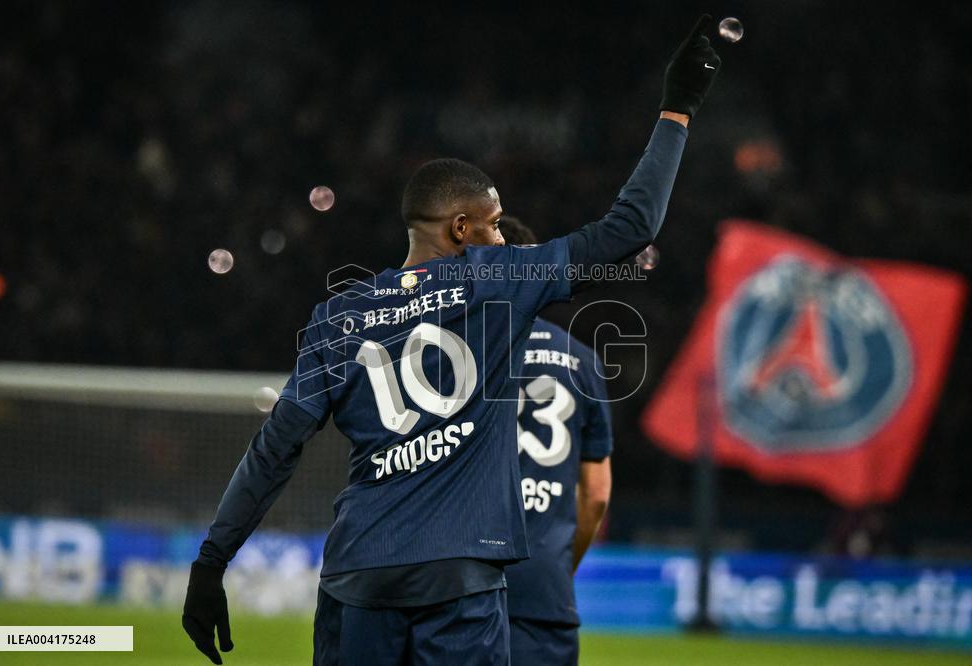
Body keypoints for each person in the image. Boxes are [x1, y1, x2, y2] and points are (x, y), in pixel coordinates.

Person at [183, 14, 719, 665]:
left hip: (359, 578)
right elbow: (631, 225)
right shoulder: (496, 280)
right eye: (493, 226)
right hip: (460, 584)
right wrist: (677, 109)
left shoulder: (339, 316)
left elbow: (274, 451)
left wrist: (212, 563)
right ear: (462, 229)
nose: (503, 236)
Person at [497, 217, 613, 666]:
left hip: (463, 583)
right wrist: (560, 568)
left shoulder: (458, 355)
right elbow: (597, 496)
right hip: (545, 588)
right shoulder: (582, 360)